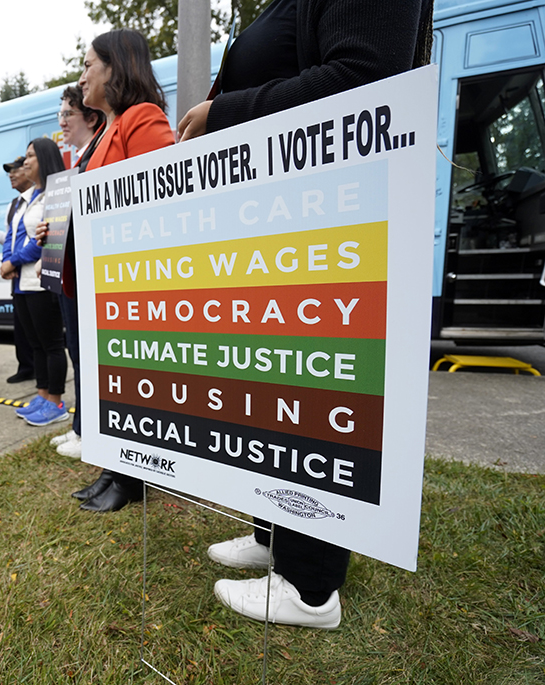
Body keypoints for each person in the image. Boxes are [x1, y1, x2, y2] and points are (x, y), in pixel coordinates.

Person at [176, 0, 434, 630]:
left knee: (311, 391)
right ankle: (275, 533)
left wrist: (224, 111)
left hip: (327, 221)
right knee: (273, 391)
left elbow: (364, 74)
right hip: (283, 223)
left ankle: (309, 586)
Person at [66, 29, 176, 512]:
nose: (83, 74)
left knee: (133, 380)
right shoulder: (106, 129)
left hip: (132, 279)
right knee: (110, 380)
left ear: (116, 66)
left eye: (89, 64)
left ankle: (133, 478)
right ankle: (115, 468)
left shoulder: (142, 118)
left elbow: (163, 192)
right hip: (99, 279)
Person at [49, 85, 105, 459]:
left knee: (87, 354)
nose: (61, 122)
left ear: (90, 117)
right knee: (76, 351)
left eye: (68, 114)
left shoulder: (98, 154)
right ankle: (81, 426)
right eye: (60, 115)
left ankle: (89, 432)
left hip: (90, 270)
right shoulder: (79, 161)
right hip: (72, 269)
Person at [2, 138, 70, 427]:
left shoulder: (57, 194)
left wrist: (13, 261)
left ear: (44, 158)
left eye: (30, 156)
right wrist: (9, 262)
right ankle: (42, 396)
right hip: (22, 283)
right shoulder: (27, 198)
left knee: (51, 343)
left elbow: (42, 238)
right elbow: (13, 234)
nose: (25, 162)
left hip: (43, 280)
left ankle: (56, 401)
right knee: (36, 344)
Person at [0, 156, 36, 384]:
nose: (11, 175)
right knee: (20, 325)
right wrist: (7, 263)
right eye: (9, 172)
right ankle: (26, 366)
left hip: (33, 273)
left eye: (15, 170)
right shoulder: (13, 204)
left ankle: (39, 373)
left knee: (38, 330)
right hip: (16, 275)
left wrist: (13, 261)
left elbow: (37, 240)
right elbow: (8, 238)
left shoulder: (39, 199)